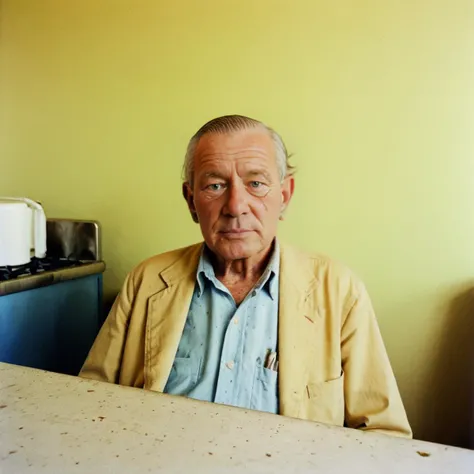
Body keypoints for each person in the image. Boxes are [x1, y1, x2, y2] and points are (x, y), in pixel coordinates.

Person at [80, 115, 412, 437]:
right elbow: (88, 401)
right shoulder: (148, 279)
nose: (236, 205)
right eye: (215, 185)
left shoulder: (338, 290)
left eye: (255, 183)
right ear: (191, 201)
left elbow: (383, 433)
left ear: (284, 195)